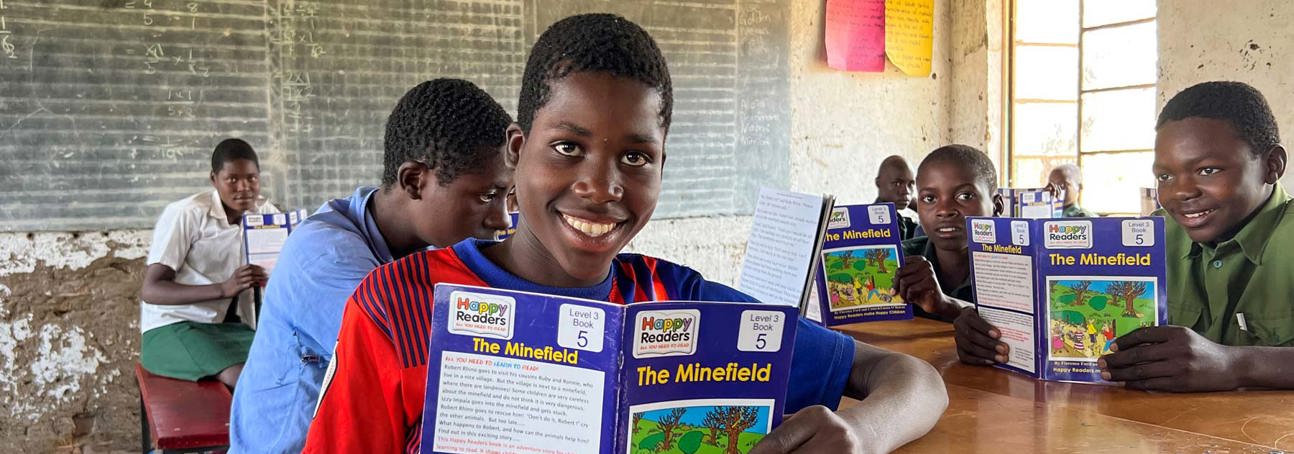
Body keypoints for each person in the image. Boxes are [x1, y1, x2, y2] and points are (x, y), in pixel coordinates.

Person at [304, 13, 947, 453]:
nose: (601, 186)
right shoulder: (398, 305)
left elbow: (915, 381)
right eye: (567, 146)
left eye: (635, 157)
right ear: (518, 149)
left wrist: (864, 432)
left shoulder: (682, 304)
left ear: (662, 165)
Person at [228, 79, 514, 452]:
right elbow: (444, 373)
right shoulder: (325, 257)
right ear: (415, 181)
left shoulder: (424, 247)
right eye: (487, 196)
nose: (503, 219)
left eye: (509, 196)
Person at [957, 81, 1294, 391]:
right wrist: (990, 333)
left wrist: (1235, 364)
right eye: (1165, 176)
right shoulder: (1151, 238)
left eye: (1207, 170)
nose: (1181, 193)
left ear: (1272, 165)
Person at [138, 138, 278, 388]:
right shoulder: (188, 214)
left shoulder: (267, 215)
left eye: (252, 178)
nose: (244, 187)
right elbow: (151, 289)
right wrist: (224, 288)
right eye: (232, 179)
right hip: (175, 326)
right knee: (244, 378)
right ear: (214, 179)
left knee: (282, 367)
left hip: (232, 329)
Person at [893, 145, 1003, 322]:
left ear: (996, 207)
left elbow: (1019, 331)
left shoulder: (1018, 270)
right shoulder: (898, 262)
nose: (944, 210)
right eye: (930, 199)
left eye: (965, 196)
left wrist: (945, 305)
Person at [874, 155, 920, 239]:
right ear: (878, 183)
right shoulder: (872, 224)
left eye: (910, 184)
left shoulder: (902, 222)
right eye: (897, 183)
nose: (906, 191)